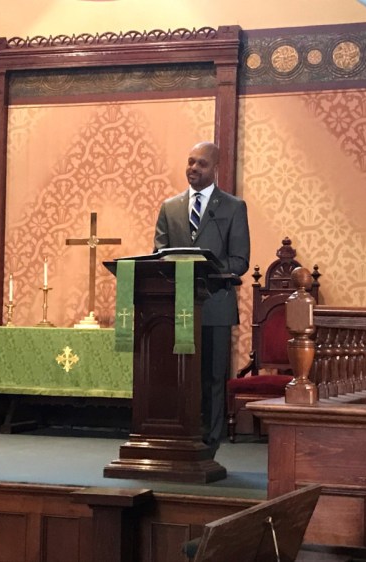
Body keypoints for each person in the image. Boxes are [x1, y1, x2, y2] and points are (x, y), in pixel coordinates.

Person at [153, 141, 250, 454]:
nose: (193, 168)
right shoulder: (170, 207)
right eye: (190, 162)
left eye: (201, 164)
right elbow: (158, 254)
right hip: (177, 306)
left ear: (215, 168)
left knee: (211, 376)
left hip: (216, 305)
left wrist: (211, 267)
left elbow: (240, 261)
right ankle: (179, 432)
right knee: (179, 374)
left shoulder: (233, 207)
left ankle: (211, 440)